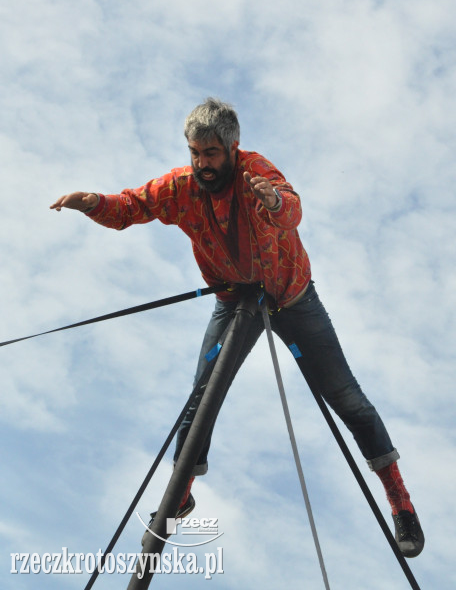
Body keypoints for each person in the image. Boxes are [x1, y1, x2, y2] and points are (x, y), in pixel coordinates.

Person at [50, 97, 424, 558]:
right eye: (195, 152)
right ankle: (179, 496)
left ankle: (401, 504)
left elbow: (290, 208)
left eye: (210, 153)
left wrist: (271, 199)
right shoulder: (181, 187)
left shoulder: (254, 172)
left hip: (291, 298)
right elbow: (131, 206)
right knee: (199, 400)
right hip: (234, 302)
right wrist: (91, 203)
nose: (202, 163)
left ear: (231, 147)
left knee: (348, 399)